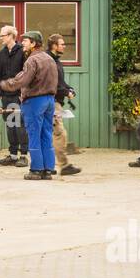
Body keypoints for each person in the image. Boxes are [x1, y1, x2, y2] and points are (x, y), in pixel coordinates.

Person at [0, 31, 58, 180]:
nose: (22, 43)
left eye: (26, 41)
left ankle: (36, 169)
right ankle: (48, 169)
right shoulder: (50, 59)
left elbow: (22, 80)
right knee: (46, 134)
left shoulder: (32, 60)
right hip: (50, 100)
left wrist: (3, 84)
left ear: (33, 43)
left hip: (35, 101)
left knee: (34, 135)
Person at [0, 26, 28, 167]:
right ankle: (13, 155)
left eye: (2, 35)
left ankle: (24, 156)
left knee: (20, 125)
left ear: (10, 36)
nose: (1, 38)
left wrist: (23, 93)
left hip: (18, 96)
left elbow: (26, 73)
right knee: (10, 125)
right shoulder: (1, 54)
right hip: (6, 96)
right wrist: (0, 93)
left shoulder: (21, 52)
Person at [47, 34, 80, 176]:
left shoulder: (57, 61)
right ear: (54, 45)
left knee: (52, 134)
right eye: (62, 44)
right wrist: (66, 92)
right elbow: (51, 84)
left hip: (57, 101)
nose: (64, 46)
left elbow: (60, 82)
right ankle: (63, 164)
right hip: (52, 103)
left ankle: (48, 165)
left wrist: (69, 89)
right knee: (59, 133)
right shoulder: (49, 61)